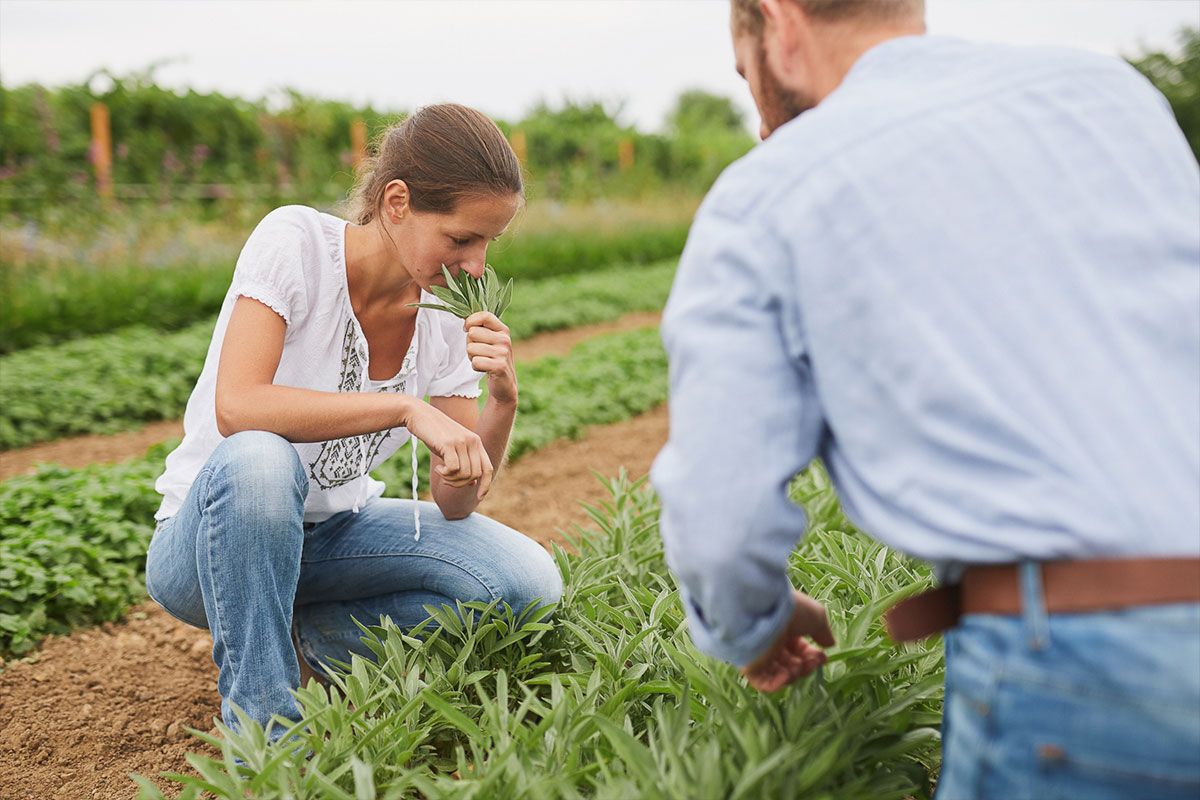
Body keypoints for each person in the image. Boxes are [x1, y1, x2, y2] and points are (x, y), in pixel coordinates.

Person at [650, 0, 1200, 797]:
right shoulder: (1110, 95)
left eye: (748, 81)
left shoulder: (767, 195)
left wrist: (758, 623)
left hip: (1089, 659)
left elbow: (720, 520)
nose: (762, 124)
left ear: (778, 25)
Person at [145, 103, 563, 735]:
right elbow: (239, 406)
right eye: (461, 238)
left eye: (487, 243)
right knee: (261, 457)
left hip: (336, 534)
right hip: (212, 544)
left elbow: (453, 503)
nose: (476, 265)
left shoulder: (447, 315)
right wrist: (403, 406)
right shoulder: (296, 243)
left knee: (528, 585)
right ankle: (265, 736)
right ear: (396, 202)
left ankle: (319, 639)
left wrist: (502, 399)